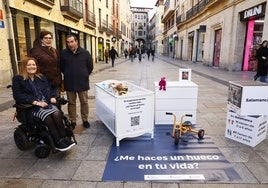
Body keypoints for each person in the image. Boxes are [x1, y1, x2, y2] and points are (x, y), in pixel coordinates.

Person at [12, 57, 75, 151]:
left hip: (46, 104)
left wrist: (52, 97)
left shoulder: (41, 77)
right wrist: (36, 102)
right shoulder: (18, 79)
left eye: (33, 65)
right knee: (47, 117)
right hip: (32, 107)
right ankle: (57, 141)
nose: (32, 67)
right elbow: (18, 95)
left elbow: (48, 90)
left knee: (57, 113)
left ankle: (64, 138)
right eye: (29, 65)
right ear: (24, 66)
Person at [60, 34, 94, 129]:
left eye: (72, 41)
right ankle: (73, 120)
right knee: (71, 103)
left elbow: (90, 67)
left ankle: (85, 119)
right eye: (68, 42)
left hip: (82, 82)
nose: (70, 44)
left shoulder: (85, 53)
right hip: (69, 82)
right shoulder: (63, 53)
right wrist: (68, 74)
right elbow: (62, 67)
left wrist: (84, 74)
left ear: (76, 41)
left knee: (84, 102)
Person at [29, 31, 62, 98]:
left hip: (56, 83)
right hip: (43, 83)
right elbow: (31, 66)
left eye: (50, 38)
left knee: (57, 103)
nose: (48, 40)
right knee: (45, 104)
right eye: (46, 38)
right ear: (41, 40)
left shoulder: (54, 50)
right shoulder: (36, 51)